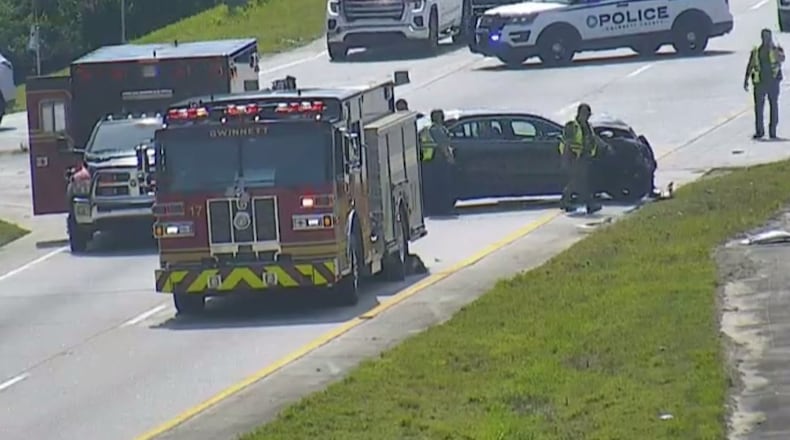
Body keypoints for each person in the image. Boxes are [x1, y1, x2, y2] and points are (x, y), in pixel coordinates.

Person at [558, 103, 602, 214]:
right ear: (580, 113)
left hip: (584, 157)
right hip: (573, 158)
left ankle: (566, 202)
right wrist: (567, 160)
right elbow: (567, 144)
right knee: (579, 181)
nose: (588, 117)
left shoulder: (588, 126)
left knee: (578, 182)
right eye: (586, 114)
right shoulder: (572, 126)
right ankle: (589, 204)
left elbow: (592, 140)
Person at [744, 28, 785, 139]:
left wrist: (778, 50)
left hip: (772, 82)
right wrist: (746, 79)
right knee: (759, 109)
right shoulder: (756, 51)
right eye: (765, 37)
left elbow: (782, 58)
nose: (767, 39)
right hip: (760, 83)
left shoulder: (775, 50)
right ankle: (760, 131)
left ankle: (772, 131)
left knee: (773, 107)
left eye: (768, 37)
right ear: (762, 38)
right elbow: (750, 64)